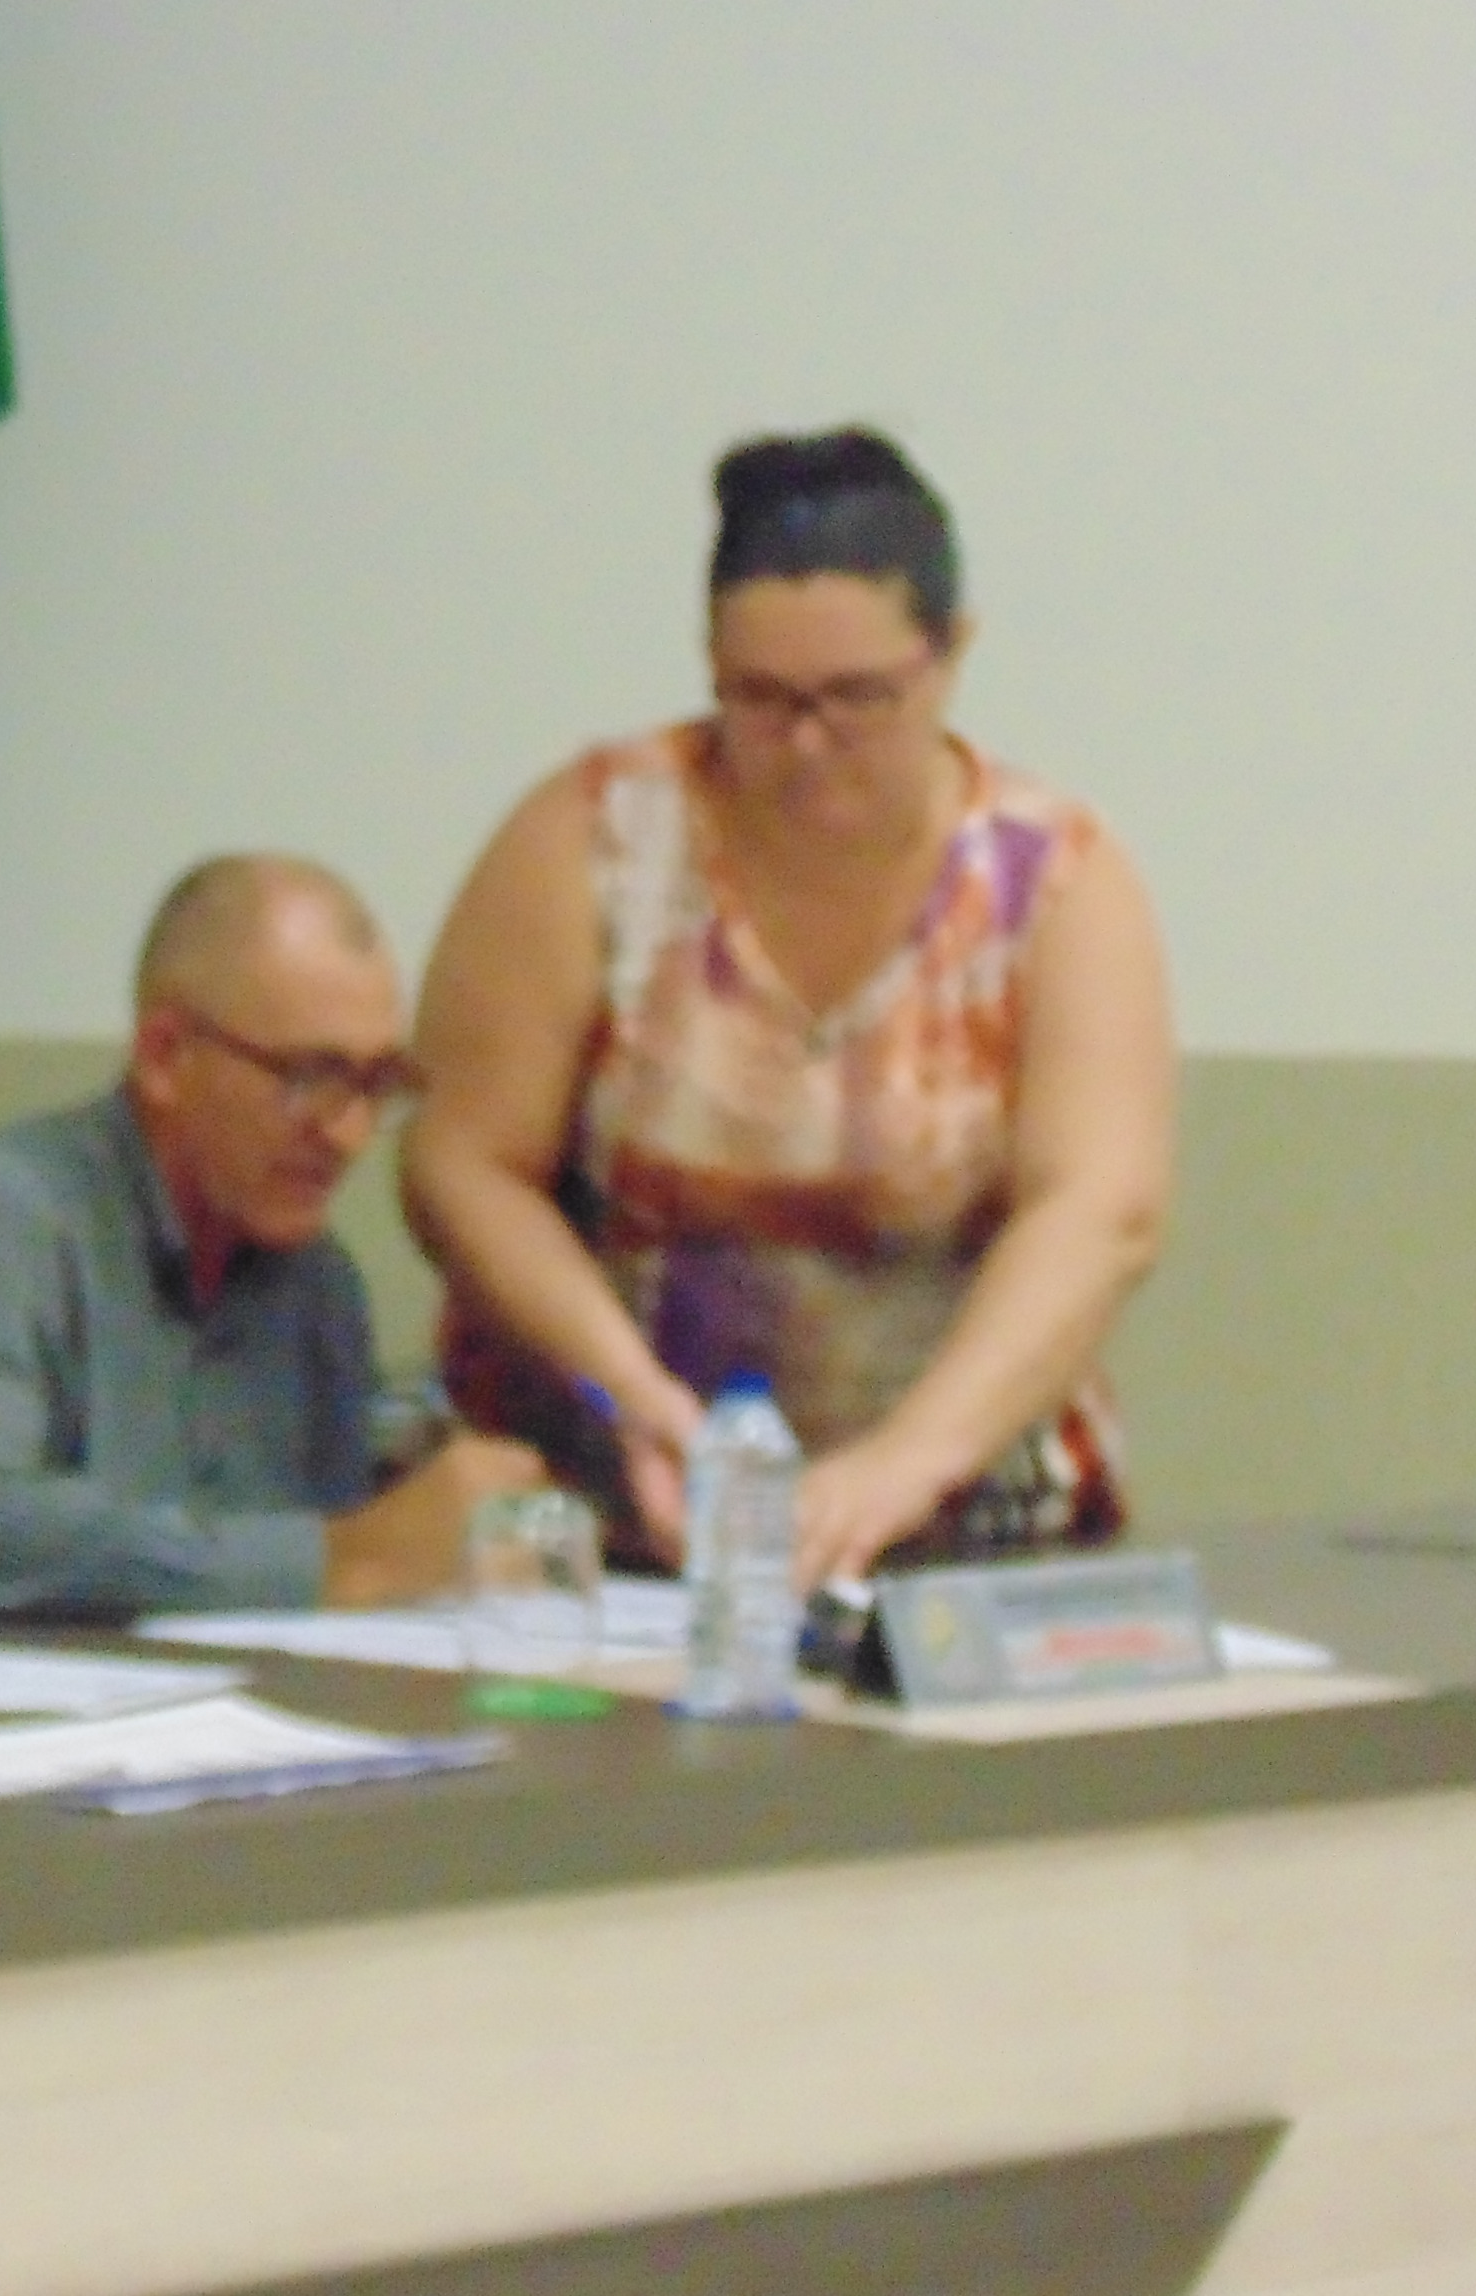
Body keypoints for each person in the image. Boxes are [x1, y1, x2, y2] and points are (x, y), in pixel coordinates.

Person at [402, 426, 1176, 1591]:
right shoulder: (593, 840)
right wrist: (629, 1392)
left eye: (858, 699)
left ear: (949, 655)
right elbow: (461, 1166)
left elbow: (1099, 1211)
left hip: (958, 1536)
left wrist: (906, 1463)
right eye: (759, 700)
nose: (807, 746)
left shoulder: (1051, 881)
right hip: (607, 1533)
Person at [0, 855, 547, 1627]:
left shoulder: (318, 1284)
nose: (350, 1134)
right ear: (165, 1056)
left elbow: (327, 1592)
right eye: (311, 1077)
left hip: (202, 1699)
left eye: (376, 1084)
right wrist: (340, 1557)